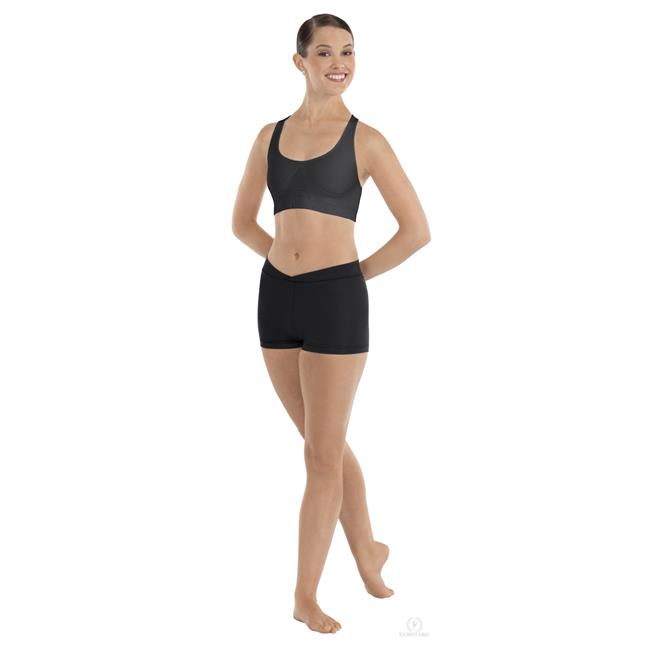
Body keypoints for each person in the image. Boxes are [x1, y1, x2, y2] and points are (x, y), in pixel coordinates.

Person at [231, 13, 431, 634]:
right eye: (324, 53)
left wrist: (351, 275)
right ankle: (368, 551)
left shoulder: (366, 140)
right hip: (276, 298)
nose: (338, 62)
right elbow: (241, 222)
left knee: (320, 456)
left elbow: (416, 231)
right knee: (325, 445)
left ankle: (305, 597)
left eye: (347, 51)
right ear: (300, 62)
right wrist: (282, 260)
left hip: (337, 301)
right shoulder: (269, 136)